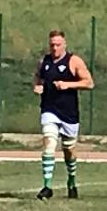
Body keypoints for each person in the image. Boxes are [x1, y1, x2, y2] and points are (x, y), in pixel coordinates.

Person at [33, 30, 95, 200]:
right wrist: (37, 86)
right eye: (52, 45)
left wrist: (68, 85)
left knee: (69, 150)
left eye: (58, 45)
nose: (54, 48)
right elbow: (37, 77)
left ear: (64, 44)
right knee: (49, 143)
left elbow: (89, 83)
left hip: (69, 113)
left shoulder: (74, 61)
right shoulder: (44, 61)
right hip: (49, 109)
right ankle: (47, 186)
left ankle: (71, 180)